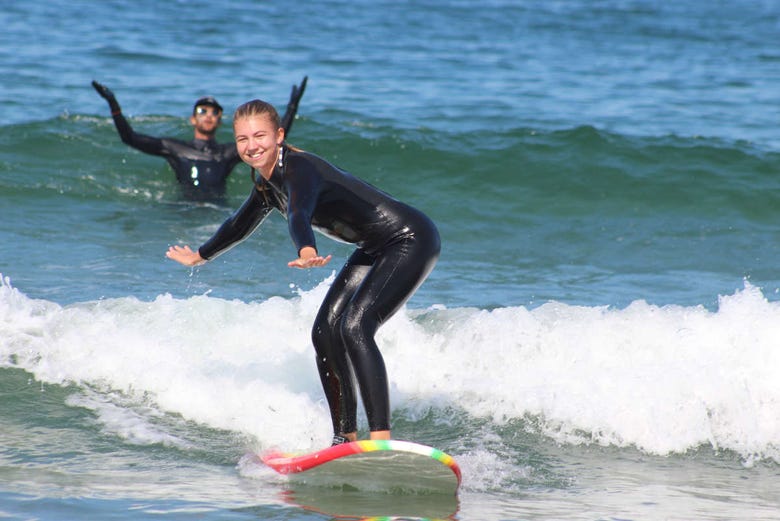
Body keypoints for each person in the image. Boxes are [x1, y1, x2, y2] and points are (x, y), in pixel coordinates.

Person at [166, 99, 441, 445]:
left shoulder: (300, 169)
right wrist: (201, 256)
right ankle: (345, 439)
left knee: (356, 326)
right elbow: (239, 224)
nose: (251, 146)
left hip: (409, 239)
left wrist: (306, 249)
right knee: (325, 331)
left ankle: (381, 440)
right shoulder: (267, 184)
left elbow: (299, 211)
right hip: (374, 247)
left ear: (279, 135)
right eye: (242, 139)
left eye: (260, 136)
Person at [91, 77, 307, 201]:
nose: (209, 115)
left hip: (217, 210)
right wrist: (113, 103)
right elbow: (130, 138)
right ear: (193, 119)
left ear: (220, 121)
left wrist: (292, 106)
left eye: (215, 112)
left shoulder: (226, 153)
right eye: (203, 111)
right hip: (183, 209)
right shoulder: (174, 148)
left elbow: (272, 140)